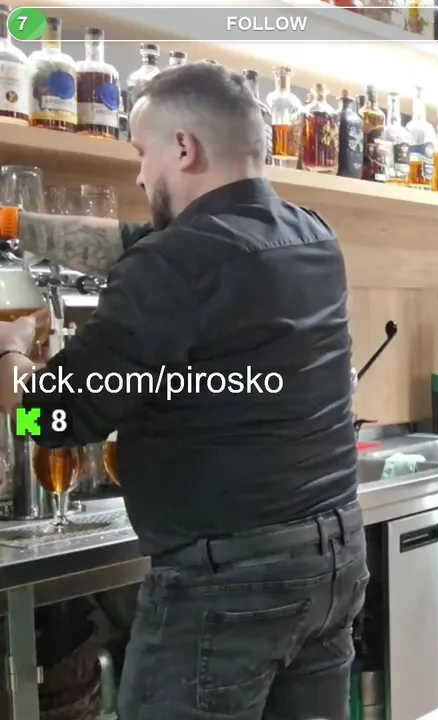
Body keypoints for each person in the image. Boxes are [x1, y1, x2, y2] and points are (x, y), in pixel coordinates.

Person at [0, 64, 365, 719]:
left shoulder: (175, 264)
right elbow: (139, 245)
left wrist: (11, 353)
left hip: (226, 588)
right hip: (331, 568)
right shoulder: (312, 235)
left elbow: (50, 419)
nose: (140, 177)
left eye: (142, 153)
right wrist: (7, 223)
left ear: (183, 148)